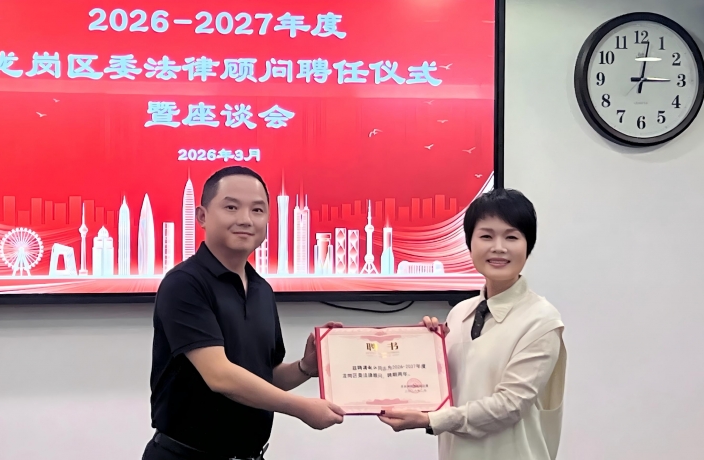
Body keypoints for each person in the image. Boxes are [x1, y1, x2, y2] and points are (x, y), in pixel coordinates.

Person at [143, 166, 345, 460]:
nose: (245, 219)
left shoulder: (262, 289)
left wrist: (305, 367)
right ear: (202, 216)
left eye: (257, 210)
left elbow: (265, 377)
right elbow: (220, 376)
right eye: (231, 207)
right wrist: (302, 408)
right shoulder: (184, 283)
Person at [378, 188, 567, 460]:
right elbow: (438, 389)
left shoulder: (541, 320)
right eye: (486, 236)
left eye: (511, 237)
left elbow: (509, 405)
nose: (498, 247)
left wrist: (431, 420)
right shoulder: (459, 314)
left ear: (528, 246)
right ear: (470, 244)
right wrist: (424, 349)